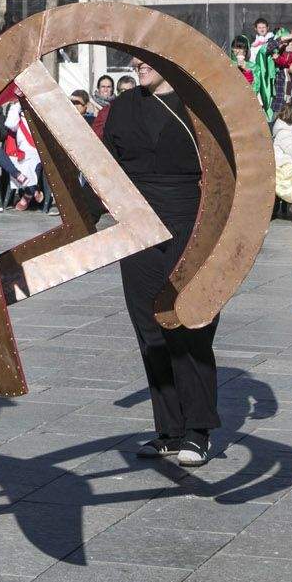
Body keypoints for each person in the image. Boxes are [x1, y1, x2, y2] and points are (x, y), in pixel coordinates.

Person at [102, 58, 216, 467]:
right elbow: (104, 163)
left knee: (190, 324)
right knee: (149, 327)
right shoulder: (124, 105)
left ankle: (198, 430)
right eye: (133, 57)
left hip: (191, 220)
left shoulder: (197, 106)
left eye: (145, 57)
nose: (136, 64)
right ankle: (169, 430)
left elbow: (227, 166)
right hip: (137, 226)